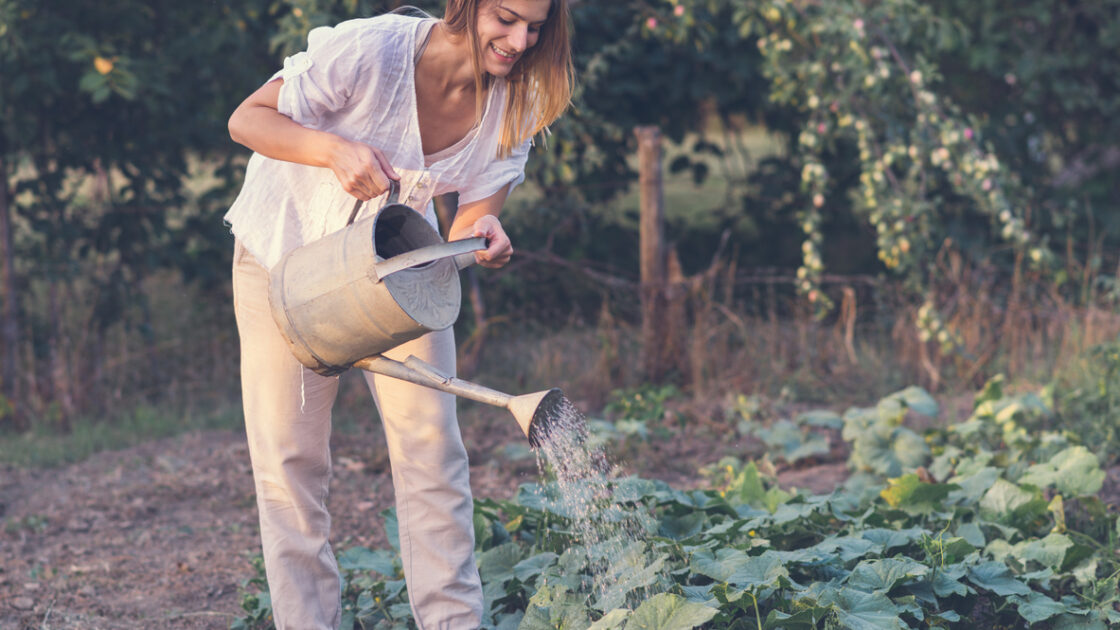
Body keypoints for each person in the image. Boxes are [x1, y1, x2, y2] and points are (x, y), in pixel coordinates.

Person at [223, 0, 573, 627]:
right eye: (505, 17)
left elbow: (470, 218)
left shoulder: (517, 104)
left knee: (433, 452)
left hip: (401, 276)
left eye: (536, 27)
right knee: (290, 467)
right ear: (464, 6)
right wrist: (331, 150)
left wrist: (480, 233)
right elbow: (246, 120)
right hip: (284, 264)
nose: (520, 40)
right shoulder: (372, 51)